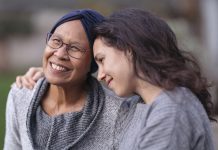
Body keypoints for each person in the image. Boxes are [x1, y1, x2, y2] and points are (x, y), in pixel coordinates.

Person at [18, 8, 216, 150]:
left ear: (130, 50)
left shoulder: (170, 113)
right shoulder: (145, 105)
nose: (101, 74)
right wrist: (54, 73)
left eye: (102, 60)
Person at [4, 9, 139, 150]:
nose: (60, 53)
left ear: (93, 61)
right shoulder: (20, 96)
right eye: (56, 41)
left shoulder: (118, 114)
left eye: (74, 48)